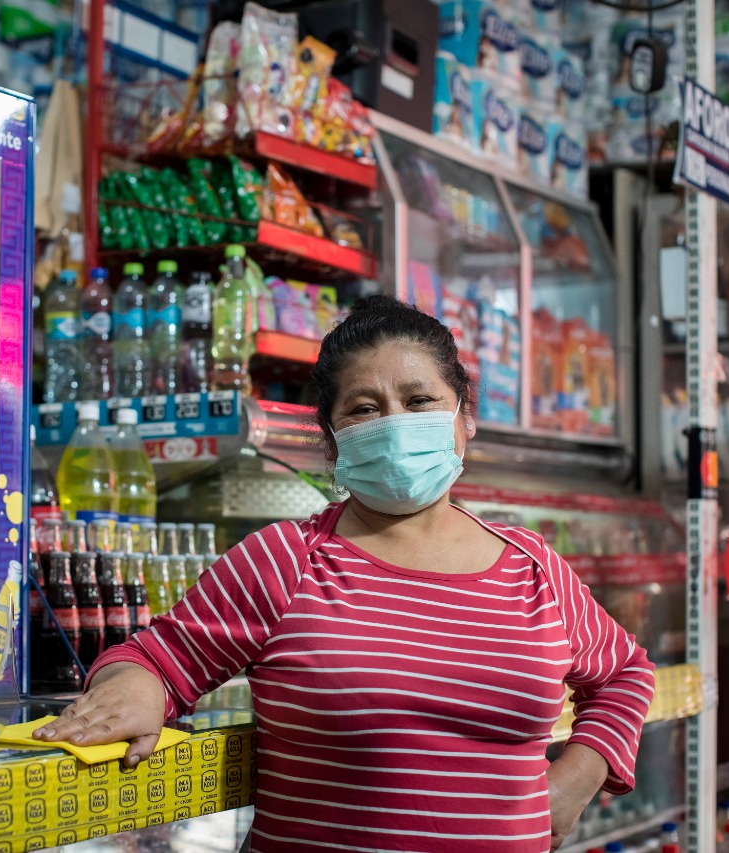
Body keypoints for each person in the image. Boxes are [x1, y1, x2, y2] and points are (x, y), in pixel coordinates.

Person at [34, 295, 655, 851]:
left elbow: (626, 672)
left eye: (419, 401)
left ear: (465, 417)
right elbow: (150, 658)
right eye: (364, 409)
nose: (393, 424)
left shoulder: (533, 567)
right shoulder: (285, 561)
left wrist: (577, 778)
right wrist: (134, 690)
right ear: (331, 443)